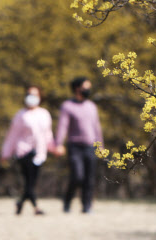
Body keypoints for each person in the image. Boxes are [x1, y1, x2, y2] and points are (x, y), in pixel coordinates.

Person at [0, 85, 55, 215]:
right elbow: (12, 136)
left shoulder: (44, 114)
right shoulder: (20, 115)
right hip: (24, 152)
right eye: (29, 94)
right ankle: (36, 208)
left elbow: (47, 134)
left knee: (31, 182)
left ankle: (20, 203)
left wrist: (54, 147)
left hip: (39, 153)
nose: (32, 98)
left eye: (35, 95)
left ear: (40, 97)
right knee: (29, 181)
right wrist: (5, 153)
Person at [55, 77, 103, 213]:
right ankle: (68, 199)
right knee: (77, 175)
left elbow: (97, 128)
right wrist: (59, 143)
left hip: (90, 146)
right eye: (86, 87)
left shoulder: (92, 106)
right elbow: (62, 126)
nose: (88, 90)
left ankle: (86, 206)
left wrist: (100, 146)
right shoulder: (68, 106)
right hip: (74, 146)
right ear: (77, 88)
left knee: (89, 178)